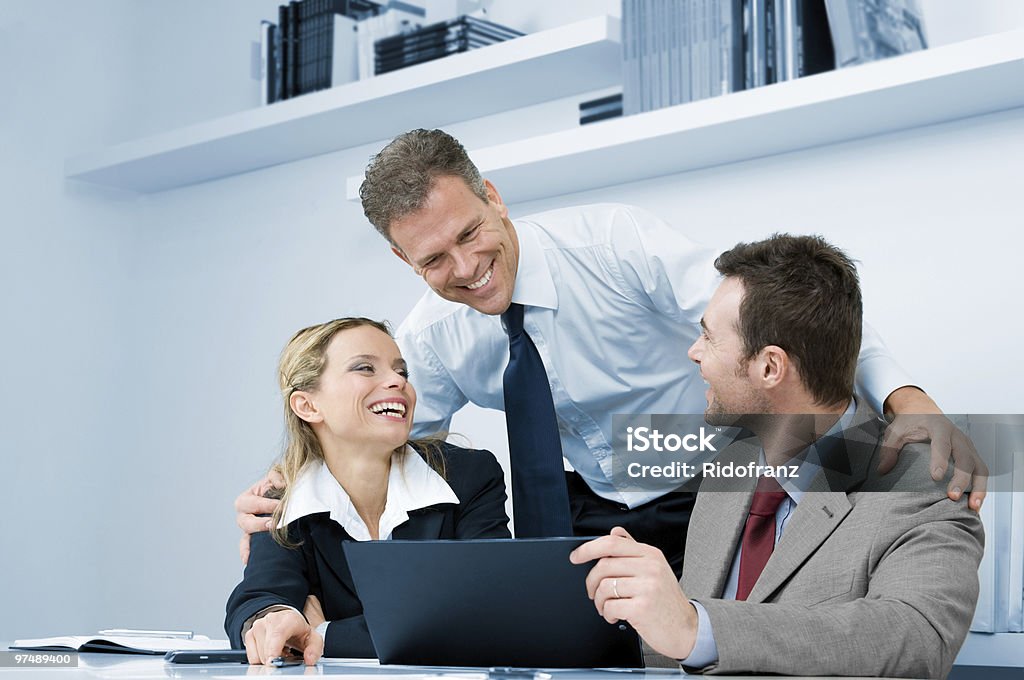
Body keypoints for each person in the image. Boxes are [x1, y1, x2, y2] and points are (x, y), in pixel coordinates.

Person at [235, 129, 985, 572]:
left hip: (718, 477)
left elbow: (786, 317)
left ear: (493, 195)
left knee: (736, 643)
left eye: (469, 234)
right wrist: (288, 487)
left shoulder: (615, 244)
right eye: (433, 260)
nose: (463, 270)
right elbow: (369, 435)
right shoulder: (430, 336)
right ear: (405, 263)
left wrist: (907, 399)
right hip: (585, 509)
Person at [570, 235, 984, 678]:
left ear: (770, 367)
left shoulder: (925, 480)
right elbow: (688, 649)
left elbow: (914, 640)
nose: (693, 352)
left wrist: (695, 625)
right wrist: (611, 622)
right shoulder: (729, 466)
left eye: (709, 338)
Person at [225, 318, 510, 666]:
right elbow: (259, 597)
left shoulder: (469, 477)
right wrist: (273, 619)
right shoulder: (282, 497)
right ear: (307, 406)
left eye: (402, 372)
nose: (397, 381)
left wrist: (323, 634)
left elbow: (485, 612)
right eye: (365, 368)